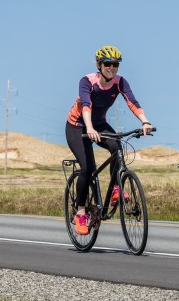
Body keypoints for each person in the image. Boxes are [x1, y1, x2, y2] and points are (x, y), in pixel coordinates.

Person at [65, 45, 153, 235]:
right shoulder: (87, 81)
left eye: (115, 64)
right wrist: (88, 128)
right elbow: (86, 105)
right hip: (77, 126)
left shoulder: (120, 82)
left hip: (99, 123)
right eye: (108, 64)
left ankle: (115, 189)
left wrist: (145, 121)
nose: (112, 68)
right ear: (99, 64)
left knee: (117, 147)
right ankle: (80, 212)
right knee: (88, 168)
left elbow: (132, 102)